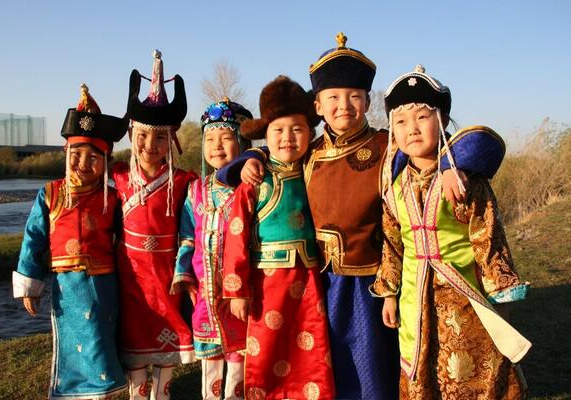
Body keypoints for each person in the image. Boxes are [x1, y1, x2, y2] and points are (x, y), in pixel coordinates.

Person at [217, 33, 508, 399]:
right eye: (333, 97)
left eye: (354, 96)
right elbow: (255, 164)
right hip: (318, 282)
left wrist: (453, 164)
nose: (344, 106)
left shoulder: (388, 146)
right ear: (318, 105)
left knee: (371, 371)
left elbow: (477, 145)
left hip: (371, 282)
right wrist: (252, 157)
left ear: (368, 101)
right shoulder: (309, 151)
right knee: (321, 370)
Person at [371, 64, 531, 399]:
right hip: (414, 301)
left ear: (442, 120)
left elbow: (488, 237)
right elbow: (392, 244)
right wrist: (389, 293)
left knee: (471, 373)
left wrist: (500, 296)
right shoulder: (394, 188)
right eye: (401, 121)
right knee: (422, 371)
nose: (412, 129)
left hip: (464, 299)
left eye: (422, 117)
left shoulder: (465, 181)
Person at [222, 76, 335, 400]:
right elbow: (235, 234)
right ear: (265, 136)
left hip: (309, 279)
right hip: (266, 282)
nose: (288, 138)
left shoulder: (315, 169)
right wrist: (237, 290)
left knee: (310, 350)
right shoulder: (256, 179)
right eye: (278, 130)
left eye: (297, 129)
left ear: (310, 133)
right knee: (268, 350)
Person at [13, 84, 128, 399]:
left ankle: (103, 392)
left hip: (106, 284)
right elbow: (34, 238)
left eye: (94, 157)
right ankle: (75, 392)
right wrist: (30, 284)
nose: (83, 164)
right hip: (68, 287)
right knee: (75, 342)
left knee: (102, 342)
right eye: (76, 155)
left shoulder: (112, 197)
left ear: (106, 162)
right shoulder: (50, 193)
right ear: (66, 154)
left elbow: (125, 238)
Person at [113, 50, 197, 400]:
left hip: (166, 273)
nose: (151, 145)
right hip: (130, 275)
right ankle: (138, 395)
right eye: (144, 136)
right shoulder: (117, 178)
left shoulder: (184, 181)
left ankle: (161, 394)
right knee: (134, 338)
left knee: (168, 333)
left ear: (171, 140)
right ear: (132, 135)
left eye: (160, 137)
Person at [171, 98, 253, 400]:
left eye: (226, 137)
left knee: (239, 354)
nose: (217, 146)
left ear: (243, 142)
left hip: (241, 290)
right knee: (211, 356)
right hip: (205, 290)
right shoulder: (197, 190)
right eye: (209, 138)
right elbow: (187, 237)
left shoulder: (251, 187)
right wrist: (184, 276)